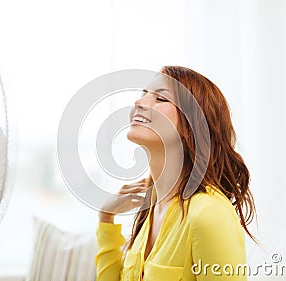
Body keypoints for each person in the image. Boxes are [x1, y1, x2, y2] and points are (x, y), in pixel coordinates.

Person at [95, 66, 256, 280]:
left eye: (161, 98)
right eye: (143, 94)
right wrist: (106, 218)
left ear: (193, 124)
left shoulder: (209, 214)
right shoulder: (151, 209)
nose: (139, 102)